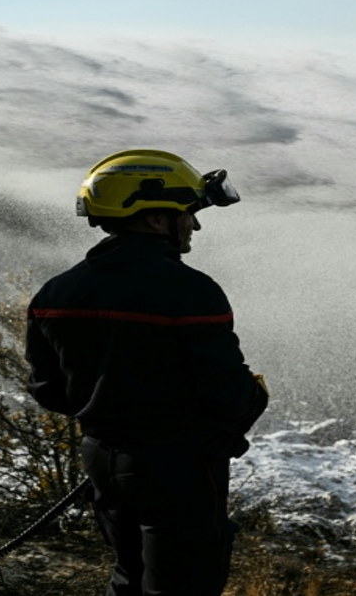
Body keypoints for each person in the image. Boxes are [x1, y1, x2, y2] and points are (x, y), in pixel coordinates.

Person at [24, 149, 269, 596]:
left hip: (102, 459)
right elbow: (227, 392)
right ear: (156, 220)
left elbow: (50, 391)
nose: (194, 225)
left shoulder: (56, 291)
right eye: (188, 213)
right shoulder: (190, 290)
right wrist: (254, 400)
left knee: (129, 578)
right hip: (178, 466)